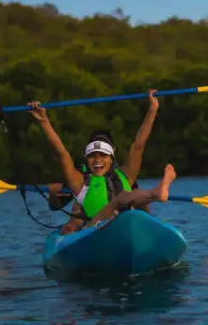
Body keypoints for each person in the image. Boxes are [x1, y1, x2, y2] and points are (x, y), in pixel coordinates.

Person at [28, 89, 159, 224]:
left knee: (136, 201)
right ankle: (154, 195)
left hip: (124, 227)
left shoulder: (126, 176)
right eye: (92, 156)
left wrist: (152, 110)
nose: (97, 160)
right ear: (86, 159)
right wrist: (44, 121)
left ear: (111, 158)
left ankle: (149, 207)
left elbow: (139, 144)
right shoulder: (79, 182)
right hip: (96, 230)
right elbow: (61, 152)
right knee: (122, 199)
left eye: (102, 155)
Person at [56, 165, 176, 235]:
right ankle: (154, 194)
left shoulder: (121, 181)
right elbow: (71, 226)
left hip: (123, 221)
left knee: (134, 203)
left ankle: (153, 196)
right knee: (127, 200)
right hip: (93, 230)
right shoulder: (82, 192)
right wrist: (69, 229)